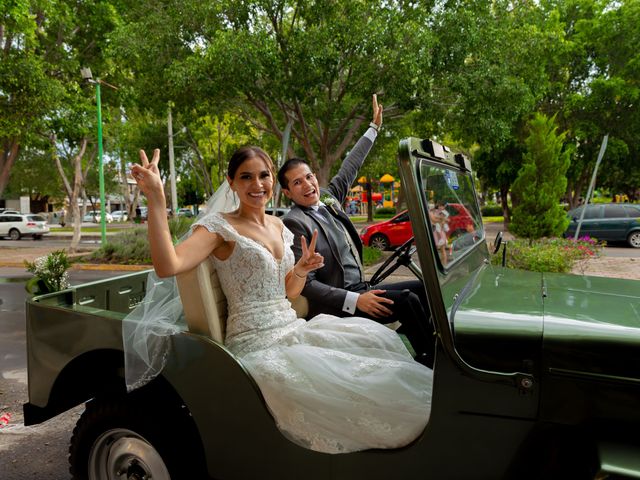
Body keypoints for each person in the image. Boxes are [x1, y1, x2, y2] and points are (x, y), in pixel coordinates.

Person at [128, 145, 433, 454]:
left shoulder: (279, 226)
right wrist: (156, 198)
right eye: (246, 177)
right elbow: (168, 266)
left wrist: (300, 270)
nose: (257, 185)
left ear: (273, 179)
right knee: (351, 390)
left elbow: (287, 292)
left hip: (292, 327)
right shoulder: (219, 227)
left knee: (376, 352)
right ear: (231, 182)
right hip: (255, 341)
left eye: (264, 175)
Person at [278, 94, 434, 363]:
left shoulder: (328, 198)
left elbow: (350, 167)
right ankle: (431, 359)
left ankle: (414, 348)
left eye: (309, 177)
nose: (307, 185)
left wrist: (373, 129)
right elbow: (308, 286)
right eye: (297, 183)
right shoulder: (294, 222)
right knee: (407, 300)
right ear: (287, 193)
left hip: (363, 286)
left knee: (427, 288)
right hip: (338, 305)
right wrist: (355, 300)